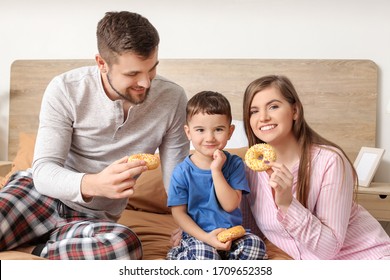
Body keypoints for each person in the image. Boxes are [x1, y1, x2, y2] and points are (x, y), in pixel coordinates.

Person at [0, 11, 189, 260]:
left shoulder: (172, 99)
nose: (145, 83)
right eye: (132, 74)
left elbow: (178, 178)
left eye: (152, 69)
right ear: (102, 63)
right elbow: (44, 171)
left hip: (92, 218)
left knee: (125, 246)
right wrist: (96, 184)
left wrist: (190, 224)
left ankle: (33, 249)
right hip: (38, 195)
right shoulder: (66, 89)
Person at [241, 74, 390, 259]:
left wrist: (287, 204)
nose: (263, 117)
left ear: (295, 110)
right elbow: (249, 234)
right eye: (253, 111)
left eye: (273, 106)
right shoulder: (249, 172)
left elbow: (328, 250)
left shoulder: (330, 161)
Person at [167, 91, 266, 260]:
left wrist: (216, 171)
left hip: (231, 235)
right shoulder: (181, 172)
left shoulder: (234, 164)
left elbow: (230, 205)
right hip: (199, 237)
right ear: (188, 132)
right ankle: (179, 255)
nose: (210, 138)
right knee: (203, 254)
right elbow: (179, 213)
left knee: (256, 245)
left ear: (230, 131)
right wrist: (206, 238)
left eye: (218, 129)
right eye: (200, 130)